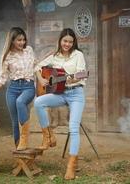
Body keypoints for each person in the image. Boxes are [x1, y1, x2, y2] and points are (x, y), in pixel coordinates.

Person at [34, 28, 86, 180]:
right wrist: (42, 79)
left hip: (76, 94)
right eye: (65, 41)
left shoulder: (78, 55)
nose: (67, 44)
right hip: (60, 93)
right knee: (38, 102)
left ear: (73, 42)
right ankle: (49, 136)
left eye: (70, 42)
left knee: (73, 128)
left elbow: (82, 74)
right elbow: (37, 67)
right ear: (60, 41)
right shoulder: (54, 56)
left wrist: (72, 79)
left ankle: (71, 165)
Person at [0, 27, 35, 151]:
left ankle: (24, 139)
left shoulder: (29, 50)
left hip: (28, 86)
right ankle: (19, 151)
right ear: (12, 40)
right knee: (14, 121)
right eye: (19, 40)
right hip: (12, 88)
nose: (22, 42)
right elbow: (2, 79)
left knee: (20, 102)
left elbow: (36, 65)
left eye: (24, 40)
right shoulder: (6, 56)